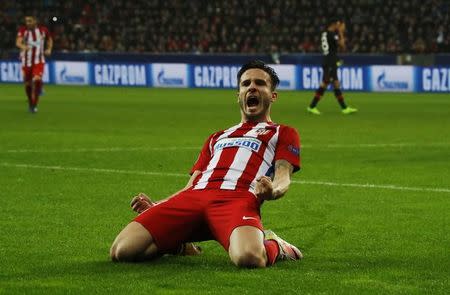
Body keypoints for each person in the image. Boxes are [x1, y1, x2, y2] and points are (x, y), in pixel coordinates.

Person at [110, 60, 303, 268]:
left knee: (249, 258)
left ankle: (276, 245)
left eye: (260, 83)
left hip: (237, 200)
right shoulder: (216, 137)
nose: (252, 87)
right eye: (246, 84)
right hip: (194, 198)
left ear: (273, 95)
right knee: (122, 251)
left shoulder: (283, 132)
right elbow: (190, 185)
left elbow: (284, 175)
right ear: (238, 95)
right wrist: (157, 205)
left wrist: (272, 191)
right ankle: (181, 246)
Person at [307, 18, 357, 115]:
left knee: (336, 83)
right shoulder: (332, 34)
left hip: (328, 60)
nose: (340, 26)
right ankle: (312, 106)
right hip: (330, 61)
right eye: (339, 24)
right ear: (335, 24)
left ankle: (344, 108)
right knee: (325, 83)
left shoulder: (324, 33)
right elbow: (342, 46)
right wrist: (341, 32)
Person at [16, 15, 53, 113]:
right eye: (26, 21)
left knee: (36, 80)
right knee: (27, 84)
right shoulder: (23, 30)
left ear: (35, 21)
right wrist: (23, 47)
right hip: (26, 62)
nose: (27, 23)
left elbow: (50, 39)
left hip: (39, 61)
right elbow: (18, 42)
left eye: (30, 21)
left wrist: (49, 49)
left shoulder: (43, 30)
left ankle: (34, 105)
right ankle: (30, 102)